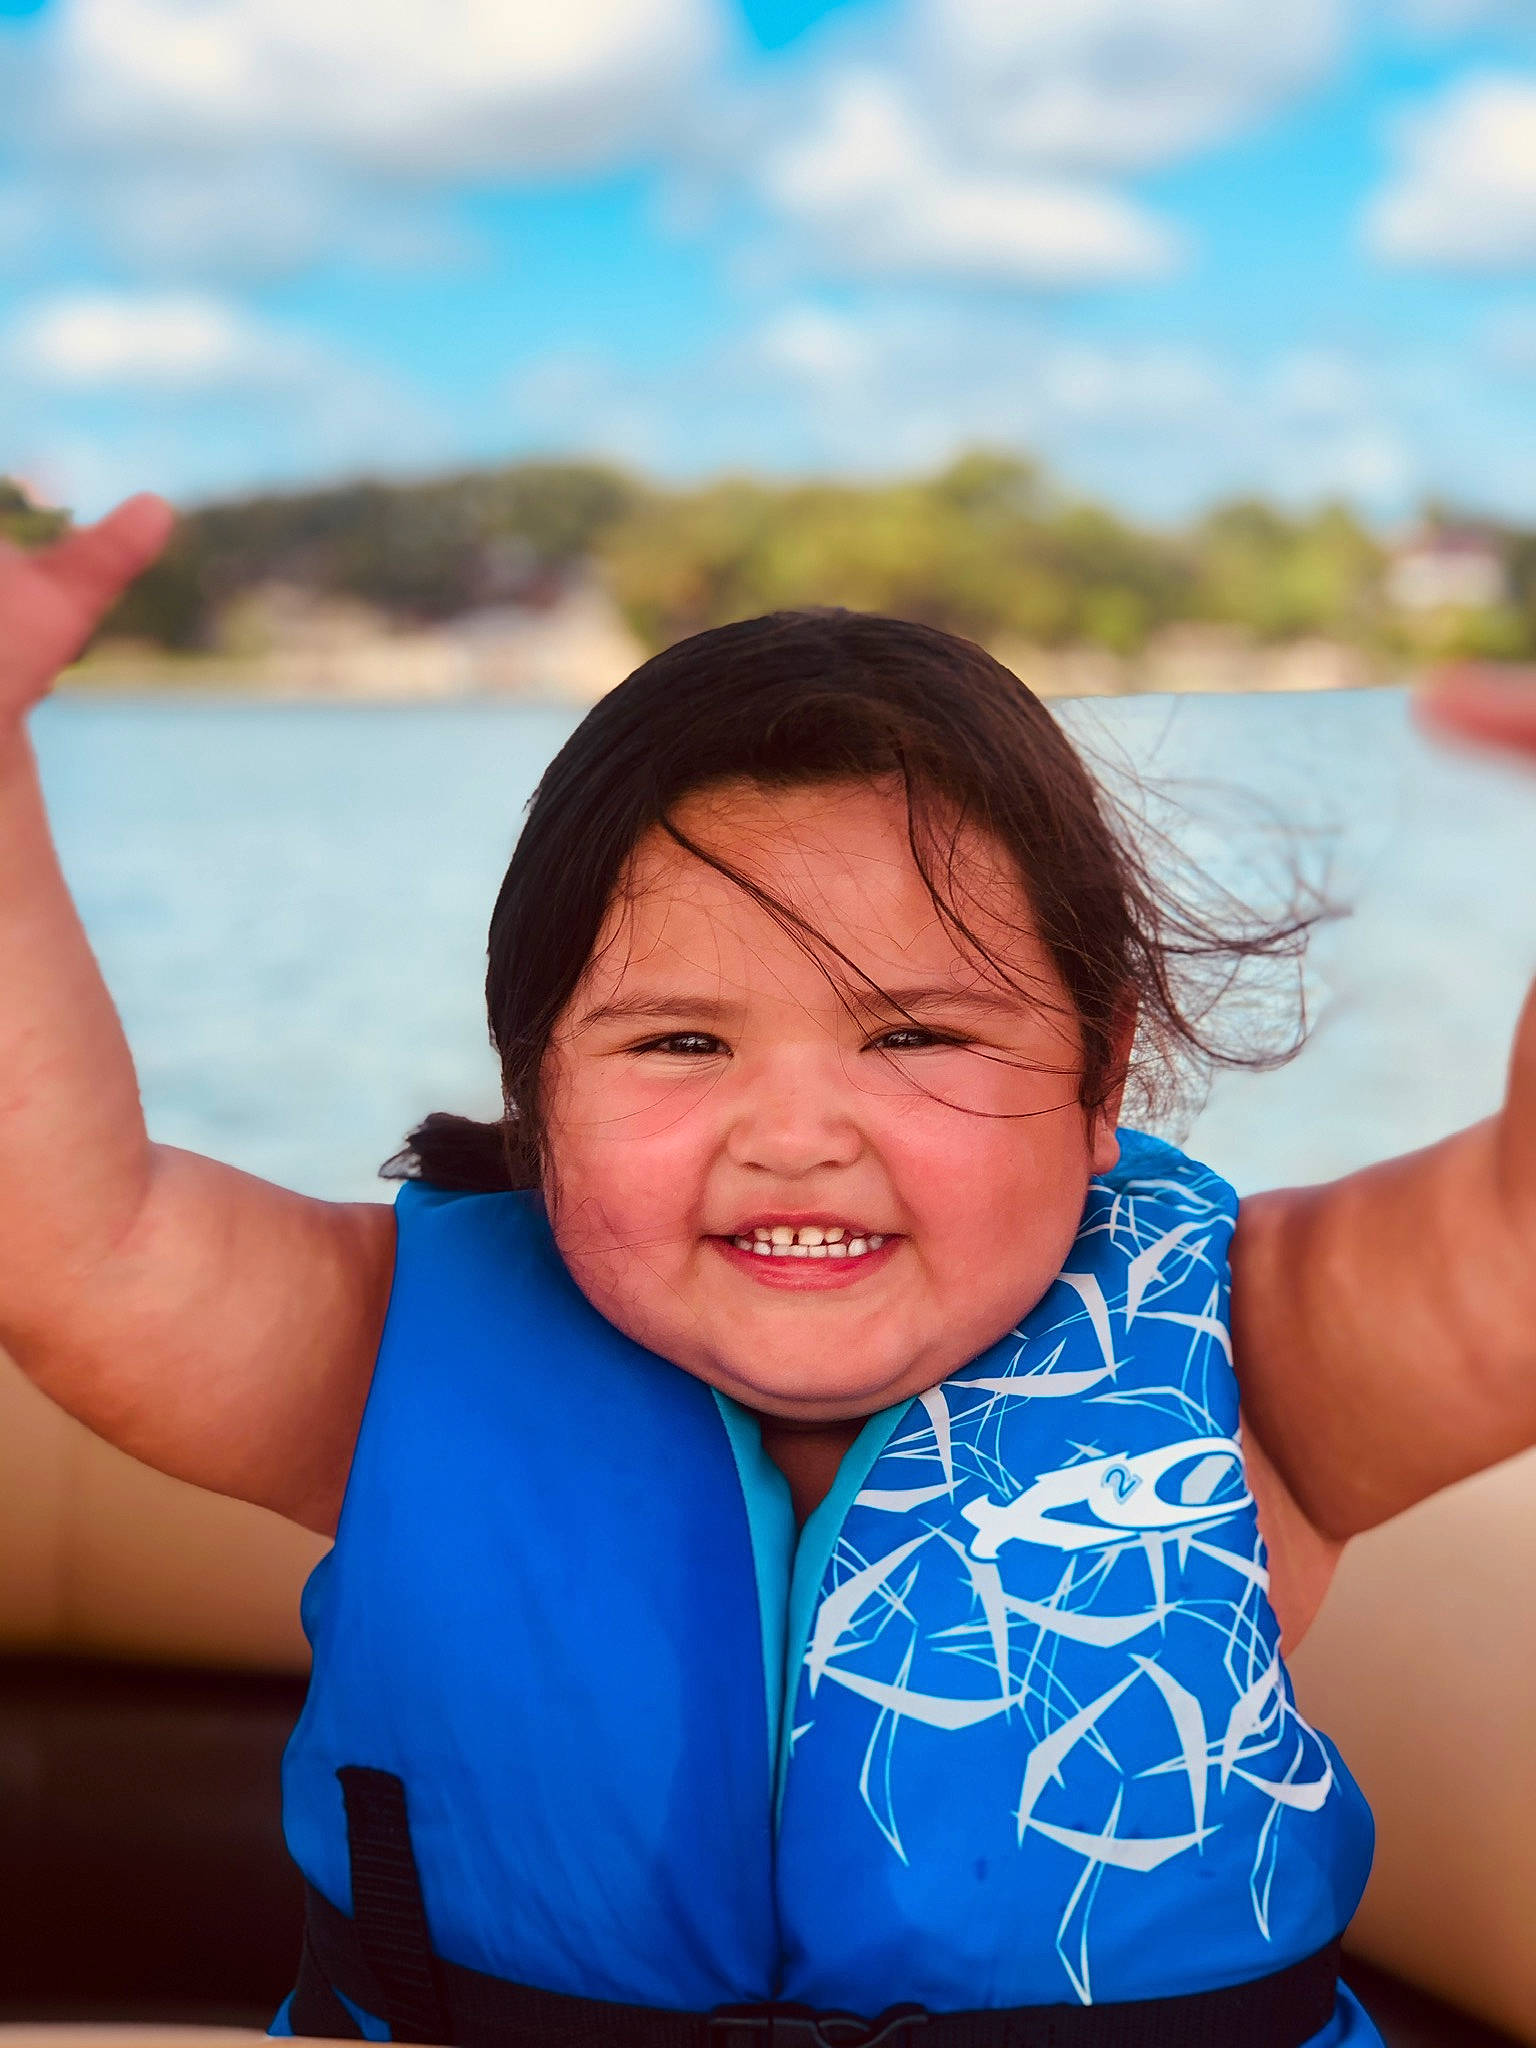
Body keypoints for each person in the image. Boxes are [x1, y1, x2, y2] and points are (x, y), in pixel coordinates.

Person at [1, 496, 1532, 2048]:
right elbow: (81, 1242)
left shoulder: (1264, 1354)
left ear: (1102, 1076)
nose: (795, 1136)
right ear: (536, 1091)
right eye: (680, 1042)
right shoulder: (385, 1350)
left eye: (914, 1035)